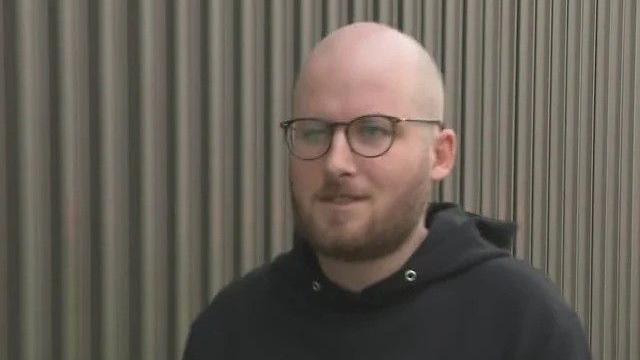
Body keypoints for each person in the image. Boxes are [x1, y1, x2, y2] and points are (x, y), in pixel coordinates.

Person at [182, 22, 591, 360]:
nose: (336, 162)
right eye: (313, 132)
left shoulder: (525, 327)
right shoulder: (231, 330)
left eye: (373, 130)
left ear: (440, 155)